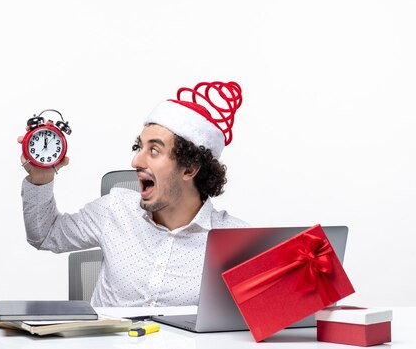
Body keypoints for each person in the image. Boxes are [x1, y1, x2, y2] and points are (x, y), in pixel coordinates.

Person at [18, 81, 249, 307]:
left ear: (189, 168)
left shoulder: (236, 241)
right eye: (139, 147)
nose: (136, 161)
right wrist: (41, 177)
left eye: (154, 150)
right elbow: (45, 235)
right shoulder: (114, 209)